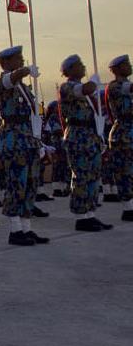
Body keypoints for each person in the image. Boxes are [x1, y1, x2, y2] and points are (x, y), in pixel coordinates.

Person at [0, 46, 49, 246]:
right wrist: (24, 71)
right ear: (5, 63)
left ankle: (26, 228)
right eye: (18, 59)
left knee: (31, 184)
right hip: (14, 140)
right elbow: (9, 79)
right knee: (17, 184)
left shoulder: (24, 87)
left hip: (28, 138)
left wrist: (39, 141)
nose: (22, 62)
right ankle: (15, 230)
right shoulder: (2, 82)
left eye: (22, 59)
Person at [59, 54, 110, 232]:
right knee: (81, 176)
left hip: (90, 134)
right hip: (78, 136)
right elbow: (84, 89)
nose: (83, 67)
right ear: (69, 70)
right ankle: (81, 217)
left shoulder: (86, 91)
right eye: (79, 65)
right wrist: (94, 82)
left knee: (93, 176)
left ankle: (90, 214)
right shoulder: (67, 87)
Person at [106, 55, 133, 221]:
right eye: (125, 64)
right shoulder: (115, 86)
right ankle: (128, 208)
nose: (129, 66)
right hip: (123, 133)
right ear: (115, 69)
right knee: (125, 171)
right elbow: (127, 88)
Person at [44, 100, 70, 197]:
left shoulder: (61, 116)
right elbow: (57, 130)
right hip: (56, 144)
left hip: (61, 144)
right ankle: (57, 189)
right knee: (58, 167)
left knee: (63, 166)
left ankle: (63, 188)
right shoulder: (53, 118)